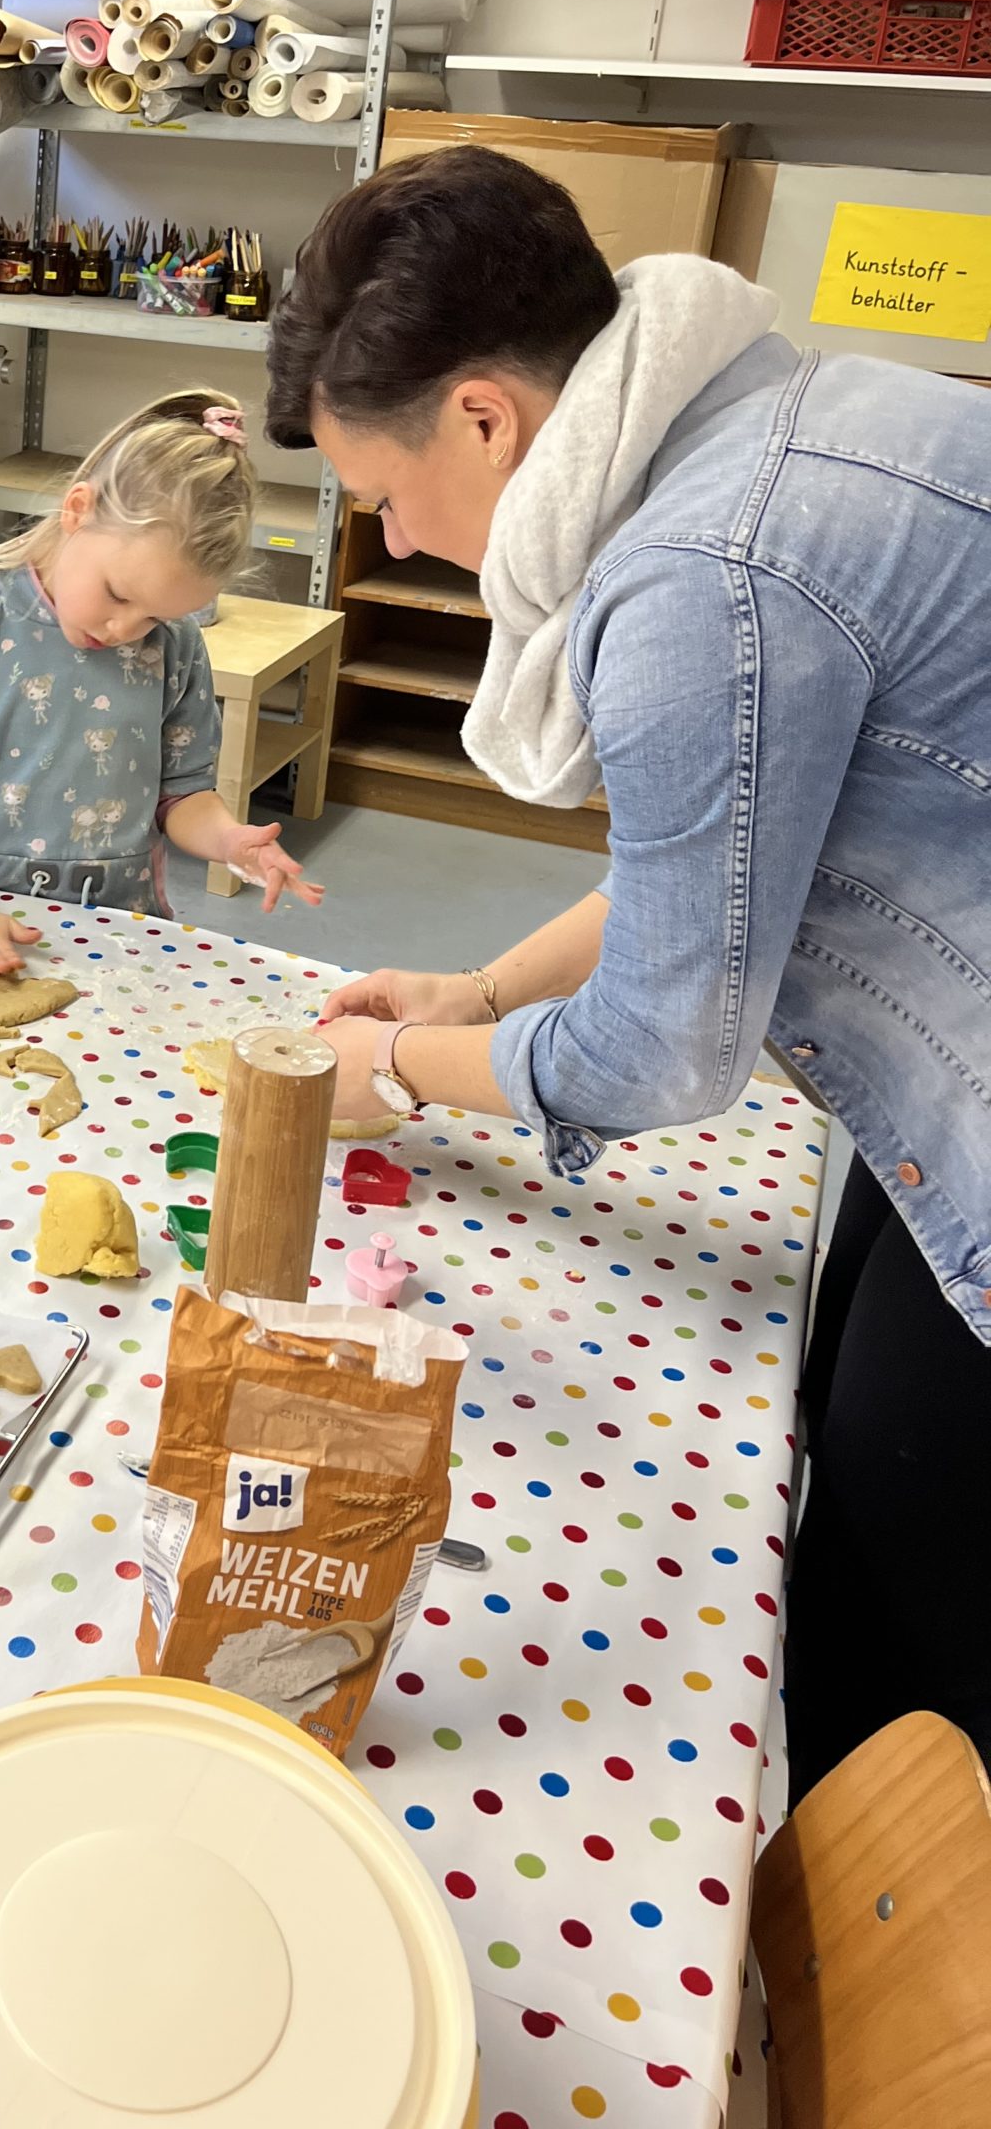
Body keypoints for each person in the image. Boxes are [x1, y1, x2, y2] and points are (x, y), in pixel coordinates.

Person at [262, 144, 991, 1800]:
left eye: (388, 491)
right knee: (843, 1384)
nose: (401, 534)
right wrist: (481, 996)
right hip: (939, 1054)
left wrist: (394, 1076)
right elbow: (727, 859)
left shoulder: (691, 584)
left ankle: (883, 1966)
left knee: (903, 1589)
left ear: (484, 420)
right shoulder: (776, 410)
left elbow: (667, 1050)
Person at [0, 392, 322, 972]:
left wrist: (229, 840)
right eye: (119, 594)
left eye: (154, 615)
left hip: (127, 925)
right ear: (77, 511)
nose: (127, 629)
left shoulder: (175, 644)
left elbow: (182, 795)